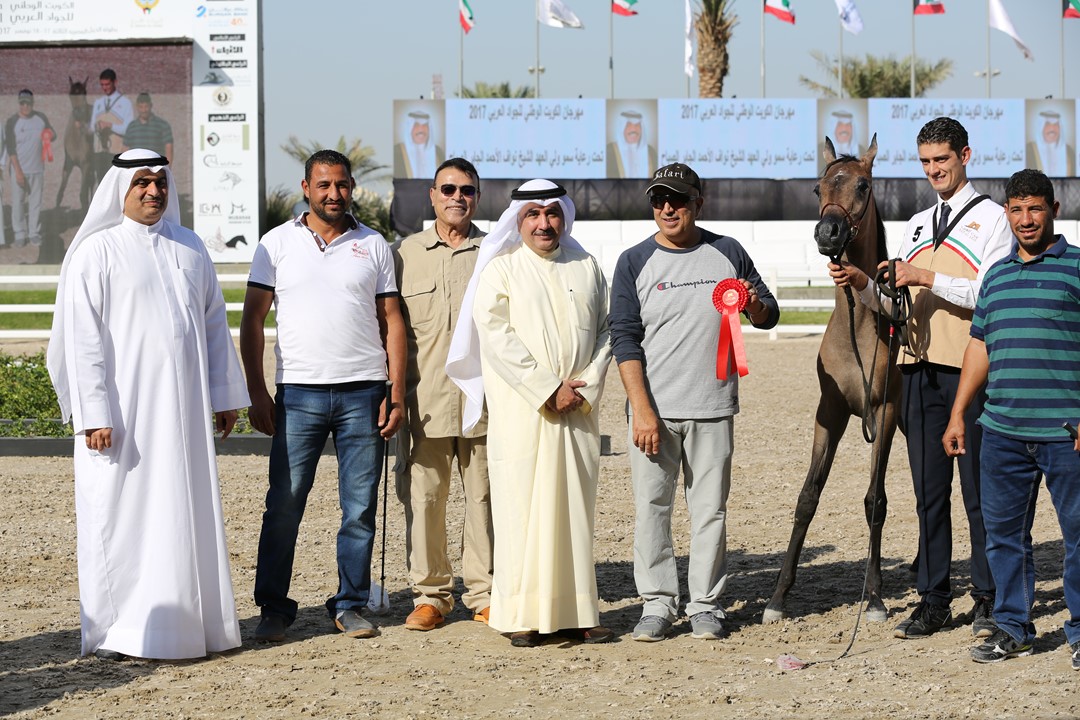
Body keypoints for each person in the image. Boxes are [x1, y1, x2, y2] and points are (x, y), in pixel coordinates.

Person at [45, 148, 249, 660]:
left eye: (160, 181)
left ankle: (194, 627)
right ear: (121, 190)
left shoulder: (190, 246)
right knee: (121, 515)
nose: (154, 191)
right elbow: (81, 341)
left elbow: (213, 325)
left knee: (185, 512)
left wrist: (224, 396)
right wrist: (94, 414)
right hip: (122, 417)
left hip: (186, 415)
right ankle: (118, 632)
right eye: (142, 182)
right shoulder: (97, 252)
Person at [828, 116, 1013, 640]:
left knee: (978, 493)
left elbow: (989, 293)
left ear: (965, 156)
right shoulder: (914, 224)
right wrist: (864, 284)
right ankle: (934, 599)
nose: (934, 170)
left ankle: (988, 598)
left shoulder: (994, 220)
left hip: (971, 371)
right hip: (915, 370)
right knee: (929, 494)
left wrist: (924, 275)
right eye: (926, 162)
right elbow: (897, 305)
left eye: (942, 160)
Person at [609, 162, 779, 642]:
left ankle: (706, 604)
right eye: (658, 199)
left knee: (710, 512)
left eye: (678, 199)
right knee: (652, 509)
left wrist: (752, 303)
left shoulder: (729, 252)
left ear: (697, 204)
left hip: (713, 406)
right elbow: (624, 338)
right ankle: (657, 604)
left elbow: (768, 314)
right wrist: (642, 409)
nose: (667, 208)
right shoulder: (633, 261)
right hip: (653, 413)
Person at [241, 149, 405, 643]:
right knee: (284, 507)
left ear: (351, 187)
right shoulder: (275, 243)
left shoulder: (373, 244)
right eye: (324, 185)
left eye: (342, 185)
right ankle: (273, 609)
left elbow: (392, 320)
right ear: (306, 188)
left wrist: (395, 392)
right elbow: (252, 320)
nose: (334, 194)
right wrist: (257, 392)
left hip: (364, 392)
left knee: (359, 510)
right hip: (299, 394)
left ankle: (350, 604)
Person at [446, 178, 613, 647]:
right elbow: (496, 338)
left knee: (574, 514)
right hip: (525, 415)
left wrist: (584, 385)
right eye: (533, 215)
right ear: (517, 221)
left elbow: (608, 331)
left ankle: (577, 613)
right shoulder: (501, 271)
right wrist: (547, 390)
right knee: (522, 513)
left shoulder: (587, 267)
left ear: (564, 217)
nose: (544, 223)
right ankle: (520, 615)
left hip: (578, 412)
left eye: (552, 213)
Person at [943, 169, 1080, 668]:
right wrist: (959, 413)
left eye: (1035, 208)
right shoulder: (996, 276)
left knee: (1078, 536)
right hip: (1001, 432)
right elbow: (979, 347)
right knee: (1003, 538)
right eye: (1017, 209)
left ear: (1054, 210)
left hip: (1066, 433)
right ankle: (1013, 628)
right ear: (1006, 214)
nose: (1026, 219)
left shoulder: (1077, 268)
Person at [393, 158, 494, 632]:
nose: (458, 197)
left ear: (478, 197)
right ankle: (430, 596)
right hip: (424, 403)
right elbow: (387, 330)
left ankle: (486, 593)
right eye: (448, 189)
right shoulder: (403, 255)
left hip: (484, 402)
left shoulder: (497, 252)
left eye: (466, 190)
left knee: (485, 499)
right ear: (432, 196)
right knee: (425, 500)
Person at [5, 89, 55, 248]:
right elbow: (11, 149)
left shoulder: (41, 118)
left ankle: (34, 233)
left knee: (35, 203)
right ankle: (19, 234)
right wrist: (18, 172)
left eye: (28, 103)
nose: (25, 106)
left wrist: (49, 135)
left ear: (33, 103)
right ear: (19, 103)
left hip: (37, 169)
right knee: (18, 203)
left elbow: (53, 134)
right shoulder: (12, 122)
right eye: (22, 103)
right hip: (19, 170)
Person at [91, 69, 133, 179]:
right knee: (101, 183)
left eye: (107, 84)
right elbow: (92, 127)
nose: (105, 88)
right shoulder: (98, 103)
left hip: (116, 152)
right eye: (102, 85)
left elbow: (128, 129)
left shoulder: (125, 103)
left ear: (115, 82)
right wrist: (97, 127)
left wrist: (110, 126)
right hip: (99, 152)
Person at [122, 92, 173, 163]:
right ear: (137, 107)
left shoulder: (162, 125)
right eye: (141, 107)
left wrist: (167, 168)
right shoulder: (131, 127)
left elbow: (169, 149)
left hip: (156, 166)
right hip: (136, 166)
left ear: (151, 106)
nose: (144, 110)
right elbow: (125, 149)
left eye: (146, 106)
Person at [393, 110, 444, 179]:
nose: (421, 129)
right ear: (409, 128)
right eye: (416, 125)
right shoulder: (397, 152)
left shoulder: (438, 152)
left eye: (425, 125)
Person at [606, 110, 657, 179]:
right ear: (621, 128)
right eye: (628, 125)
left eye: (637, 125)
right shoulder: (610, 151)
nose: (633, 129)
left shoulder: (651, 151)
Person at [1025, 110, 1076, 177]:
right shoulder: (1029, 150)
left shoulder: (1069, 151)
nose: (1052, 128)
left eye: (1056, 124)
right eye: (1047, 124)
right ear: (1040, 127)